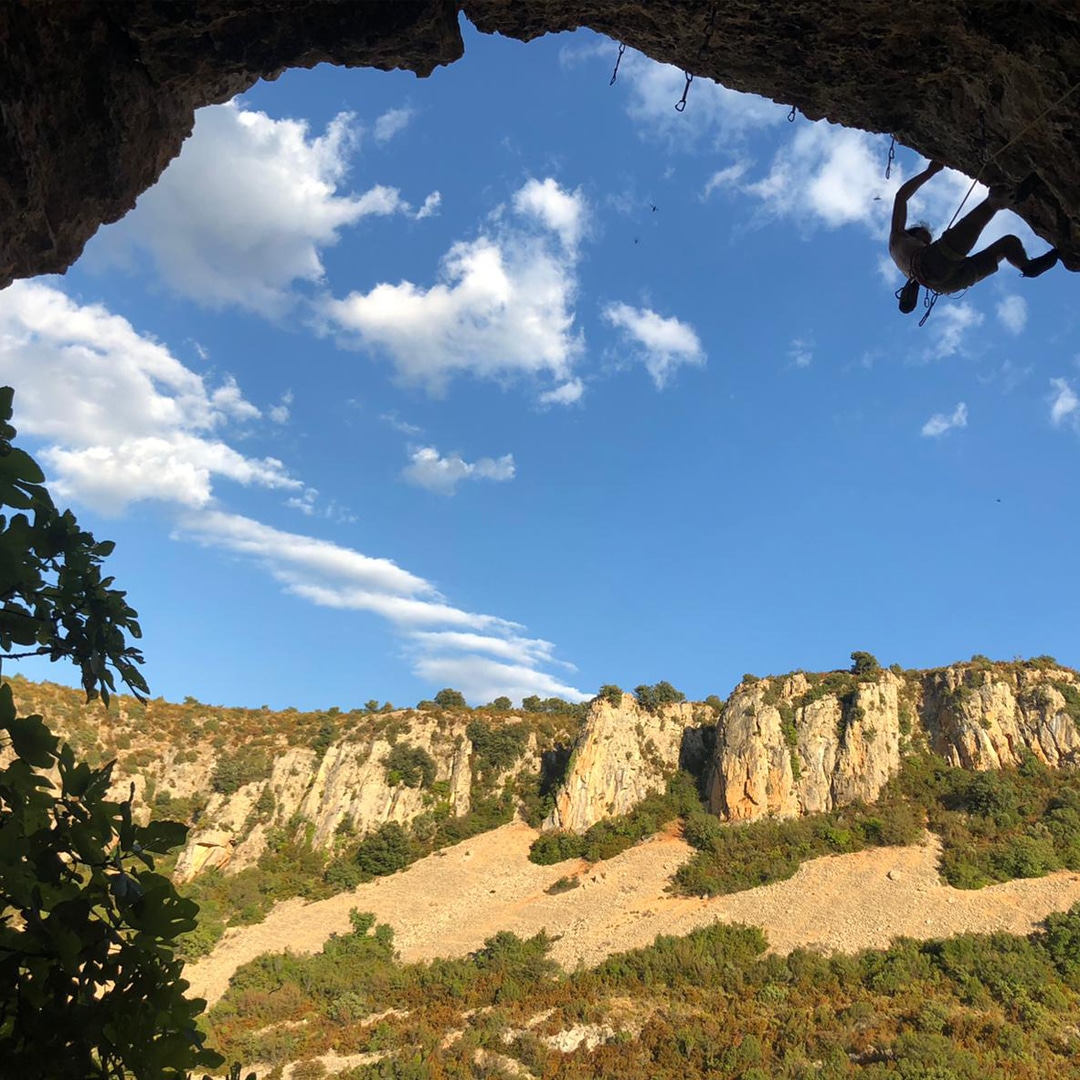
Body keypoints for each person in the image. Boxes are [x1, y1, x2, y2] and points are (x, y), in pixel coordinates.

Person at [890, 160, 1059, 312]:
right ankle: (1014, 194)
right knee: (989, 207)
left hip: (948, 286)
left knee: (1008, 244)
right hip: (933, 264)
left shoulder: (906, 265)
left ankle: (1027, 266)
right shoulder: (898, 238)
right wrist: (930, 171)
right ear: (913, 233)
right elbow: (901, 197)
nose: (927, 242)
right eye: (924, 238)